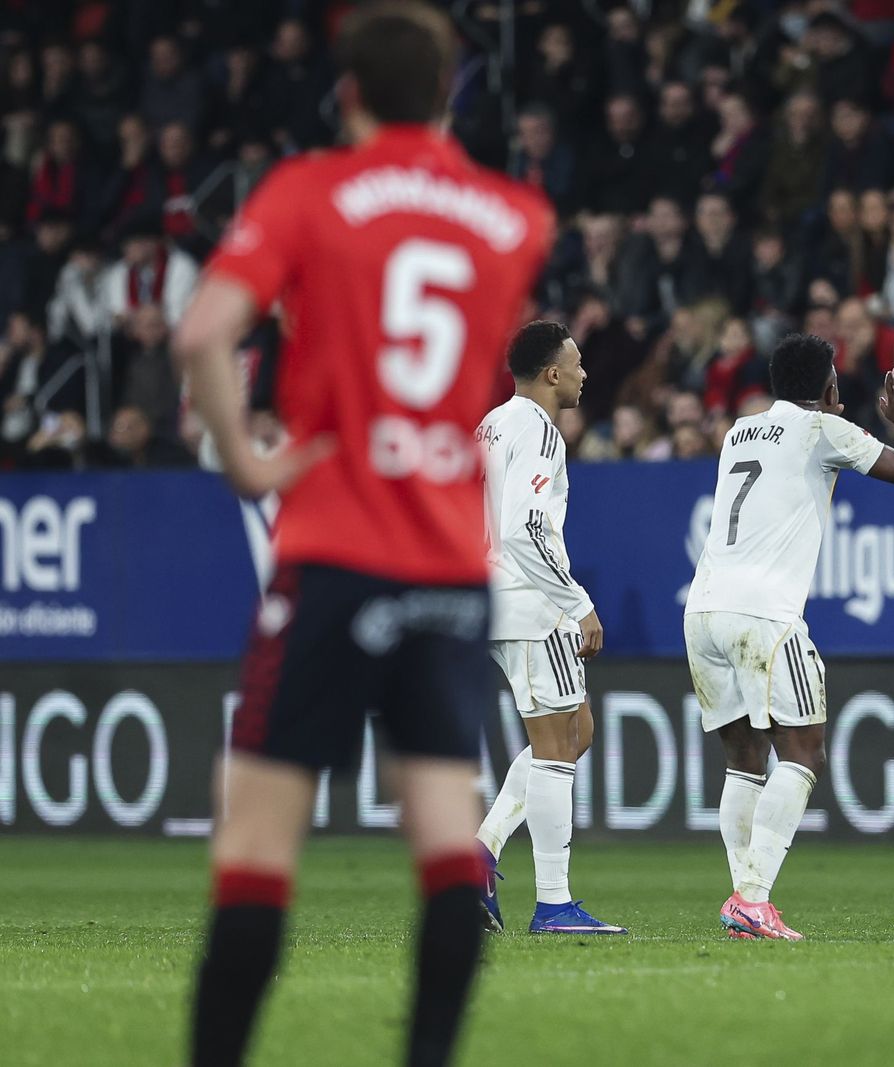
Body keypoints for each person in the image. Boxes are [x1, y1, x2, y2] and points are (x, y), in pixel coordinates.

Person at [174, 5, 554, 1064]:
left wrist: (249, 460)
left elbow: (203, 329)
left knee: (256, 838)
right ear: (450, 94)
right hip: (445, 560)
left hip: (335, 544)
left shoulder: (311, 192)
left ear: (346, 94)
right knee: (443, 825)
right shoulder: (514, 217)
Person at [685, 333, 894, 940]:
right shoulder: (823, 429)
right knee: (804, 752)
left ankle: (745, 897)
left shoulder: (738, 431)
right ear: (828, 388)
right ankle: (753, 897)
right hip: (765, 615)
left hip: (704, 610)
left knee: (744, 763)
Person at [471, 321, 625, 937]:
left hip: (491, 597)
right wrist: (578, 602)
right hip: (530, 602)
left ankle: (480, 852)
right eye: (578, 363)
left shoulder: (491, 423)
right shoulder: (538, 428)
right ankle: (555, 905)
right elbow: (525, 529)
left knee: (575, 730)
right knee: (559, 745)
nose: (585, 374)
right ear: (553, 372)